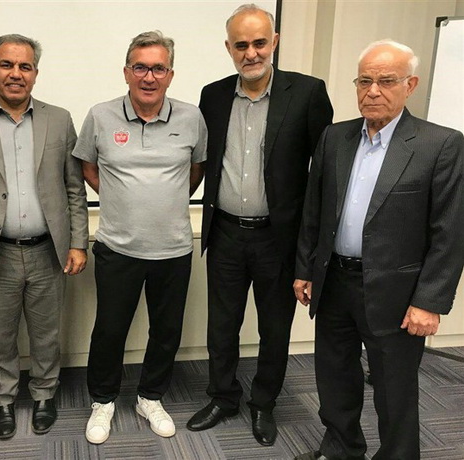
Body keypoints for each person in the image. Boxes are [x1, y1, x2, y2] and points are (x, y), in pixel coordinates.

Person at [294, 40, 464, 459]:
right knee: (334, 377)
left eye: (386, 81)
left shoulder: (440, 144)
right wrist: (305, 269)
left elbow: (449, 232)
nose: (373, 91)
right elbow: (315, 211)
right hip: (334, 283)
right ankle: (341, 449)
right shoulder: (335, 137)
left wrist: (429, 301)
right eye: (364, 80)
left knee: (394, 388)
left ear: (410, 85)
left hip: (397, 295)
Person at [187, 3, 333, 447]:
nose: (250, 53)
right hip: (226, 232)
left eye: (259, 43)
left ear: (275, 42)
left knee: (275, 329)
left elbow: (324, 172)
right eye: (241, 45)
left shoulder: (307, 93)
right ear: (228, 48)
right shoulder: (212, 96)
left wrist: (312, 247)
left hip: (278, 238)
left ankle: (264, 403)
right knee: (221, 326)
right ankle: (223, 397)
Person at [0, 34, 88, 440]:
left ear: (36, 73)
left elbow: (74, 188)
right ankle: (3, 399)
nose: (15, 74)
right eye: (7, 64)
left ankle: (44, 395)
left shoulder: (59, 119)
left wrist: (78, 242)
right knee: (0, 334)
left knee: (47, 333)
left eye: (25, 66)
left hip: (48, 251)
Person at [73, 30, 207, 444]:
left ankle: (150, 397)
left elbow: (196, 170)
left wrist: (164, 200)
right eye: (141, 67)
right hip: (118, 247)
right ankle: (103, 401)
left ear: (170, 75)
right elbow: (87, 166)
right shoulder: (100, 115)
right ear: (127, 72)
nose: (149, 77)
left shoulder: (191, 118)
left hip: (174, 248)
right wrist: (120, 198)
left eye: (158, 69)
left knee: (166, 332)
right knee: (110, 330)